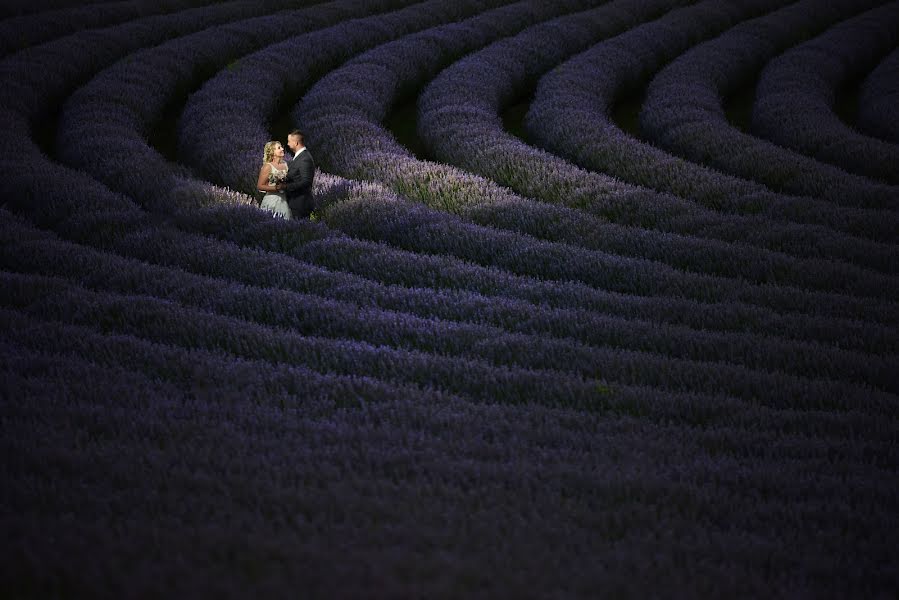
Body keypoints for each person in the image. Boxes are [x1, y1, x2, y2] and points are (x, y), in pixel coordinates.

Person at [282, 129, 315, 219]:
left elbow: (306, 181)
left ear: (296, 143)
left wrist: (286, 187)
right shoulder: (299, 157)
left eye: (289, 142)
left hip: (300, 204)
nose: (287, 144)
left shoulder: (304, 158)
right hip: (295, 202)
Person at [257, 140, 291, 219]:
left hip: (284, 200)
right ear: (272, 152)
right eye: (279, 148)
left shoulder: (285, 164)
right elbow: (260, 186)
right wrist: (276, 188)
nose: (282, 149)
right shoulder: (268, 167)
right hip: (271, 201)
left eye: (282, 147)